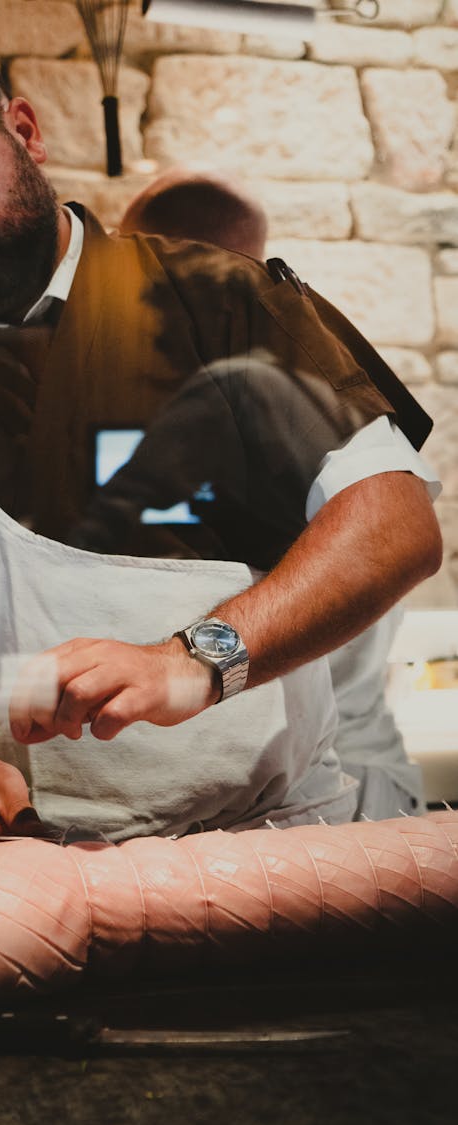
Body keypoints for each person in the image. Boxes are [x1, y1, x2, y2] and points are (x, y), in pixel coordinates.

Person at [0, 18, 441, 852]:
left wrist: (192, 661)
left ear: (23, 130)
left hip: (275, 856)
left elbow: (396, 523)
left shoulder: (221, 302)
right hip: (46, 870)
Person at [118, 167, 429, 820]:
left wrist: (188, 664)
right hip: (299, 785)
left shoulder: (270, 393)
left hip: (333, 796)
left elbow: (398, 536)